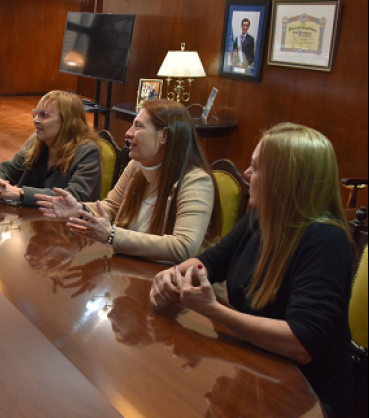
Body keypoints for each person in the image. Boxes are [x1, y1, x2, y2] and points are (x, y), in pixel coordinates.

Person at [150, 123, 355, 418]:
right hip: (254, 370)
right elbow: (210, 261)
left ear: (286, 179)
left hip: (305, 400)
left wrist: (213, 311)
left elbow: (301, 342)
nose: (246, 173)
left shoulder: (326, 240)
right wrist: (173, 275)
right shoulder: (260, 218)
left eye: (256, 167)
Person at [36, 100, 221, 264]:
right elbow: (111, 207)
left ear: (164, 135)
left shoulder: (196, 182)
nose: (128, 133)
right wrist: (80, 209)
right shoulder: (136, 166)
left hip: (179, 288)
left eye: (138, 127)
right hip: (134, 268)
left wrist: (112, 236)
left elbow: (183, 247)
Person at [0, 91, 102, 206]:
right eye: (35, 114)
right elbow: (7, 169)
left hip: (70, 226)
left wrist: (20, 193)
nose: (35, 120)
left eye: (44, 115)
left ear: (67, 121)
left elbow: (74, 196)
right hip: (34, 222)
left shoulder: (87, 152)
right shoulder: (37, 142)